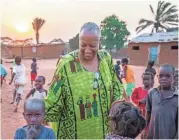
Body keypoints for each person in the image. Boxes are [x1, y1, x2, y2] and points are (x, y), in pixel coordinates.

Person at [44, 22, 124, 139]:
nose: (87, 50)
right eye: (83, 45)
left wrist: (116, 104)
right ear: (79, 42)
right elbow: (54, 95)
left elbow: (116, 84)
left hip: (102, 133)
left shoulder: (106, 59)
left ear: (99, 42)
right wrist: (38, 112)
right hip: (73, 135)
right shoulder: (66, 65)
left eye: (92, 46)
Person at [142, 64, 178, 139]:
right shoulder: (152, 93)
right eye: (160, 76)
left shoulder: (177, 97)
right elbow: (148, 112)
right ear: (157, 77)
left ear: (174, 78)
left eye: (168, 76)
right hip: (152, 135)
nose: (163, 78)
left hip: (169, 136)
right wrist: (144, 129)